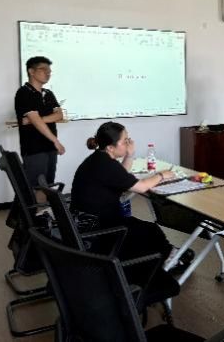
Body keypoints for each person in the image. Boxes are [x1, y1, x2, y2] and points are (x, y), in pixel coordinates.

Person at [71, 122, 176, 262]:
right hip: (98, 227)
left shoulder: (99, 158)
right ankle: (170, 259)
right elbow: (141, 187)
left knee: (146, 229)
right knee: (151, 230)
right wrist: (162, 175)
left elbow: (120, 175)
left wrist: (129, 155)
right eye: (125, 141)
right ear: (110, 147)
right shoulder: (106, 164)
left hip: (86, 221)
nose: (128, 143)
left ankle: (168, 255)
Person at [14, 56, 66, 187]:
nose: (48, 73)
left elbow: (59, 115)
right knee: (37, 187)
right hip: (34, 149)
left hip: (50, 147)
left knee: (48, 185)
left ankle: (42, 202)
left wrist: (35, 120)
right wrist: (56, 141)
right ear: (31, 71)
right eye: (43, 69)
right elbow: (35, 119)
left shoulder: (48, 93)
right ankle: (32, 203)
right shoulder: (24, 92)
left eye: (49, 70)